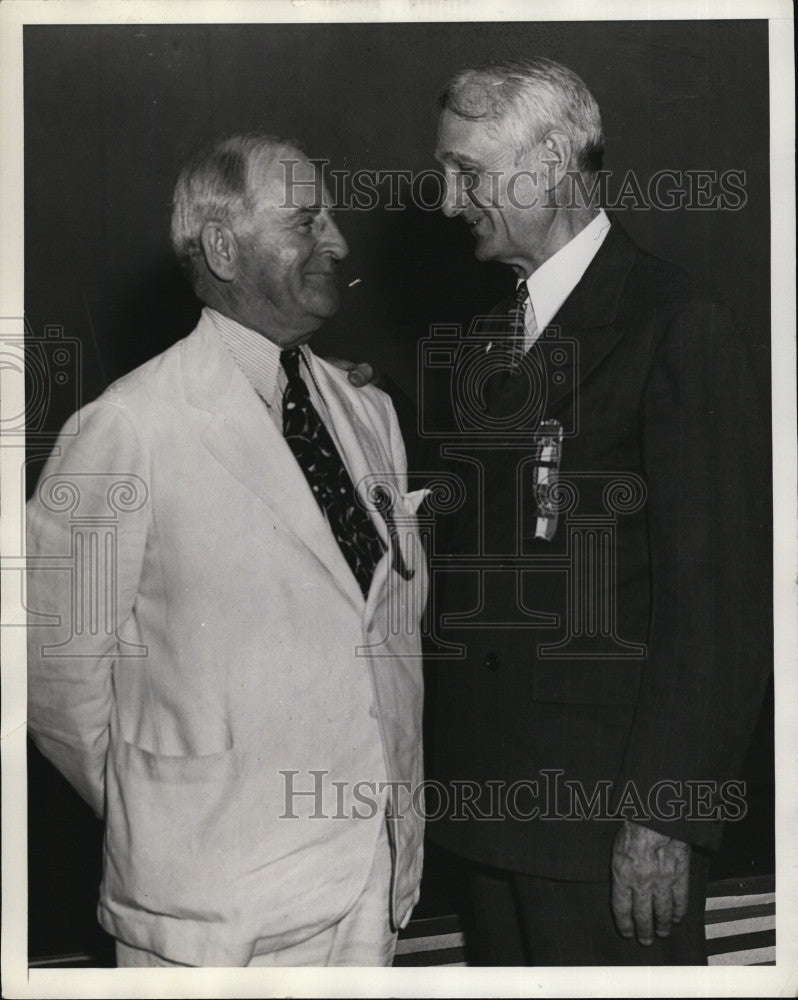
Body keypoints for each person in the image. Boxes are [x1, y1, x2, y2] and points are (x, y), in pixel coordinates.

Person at [395, 57, 770, 965]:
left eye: (468, 174)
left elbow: (715, 604)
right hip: (487, 820)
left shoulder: (678, 322)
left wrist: (665, 816)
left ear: (555, 158)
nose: (449, 203)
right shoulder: (486, 340)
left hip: (606, 833)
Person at [25, 133, 428, 968]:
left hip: (369, 890)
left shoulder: (366, 414)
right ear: (221, 246)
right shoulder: (125, 427)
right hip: (212, 912)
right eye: (307, 220)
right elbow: (51, 677)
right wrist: (165, 805)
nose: (339, 242)